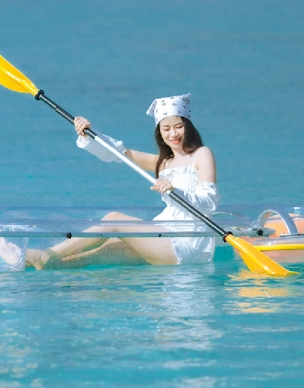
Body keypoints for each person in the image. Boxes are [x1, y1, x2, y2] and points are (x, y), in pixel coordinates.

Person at [25, 93, 220, 269]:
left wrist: (176, 191)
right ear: (159, 132)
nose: (173, 134)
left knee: (114, 219)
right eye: (166, 128)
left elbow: (210, 201)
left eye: (179, 127)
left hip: (188, 243)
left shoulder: (201, 154)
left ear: (188, 126)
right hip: (164, 232)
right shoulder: (163, 162)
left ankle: (47, 255)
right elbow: (120, 153)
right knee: (106, 249)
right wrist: (90, 133)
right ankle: (43, 263)